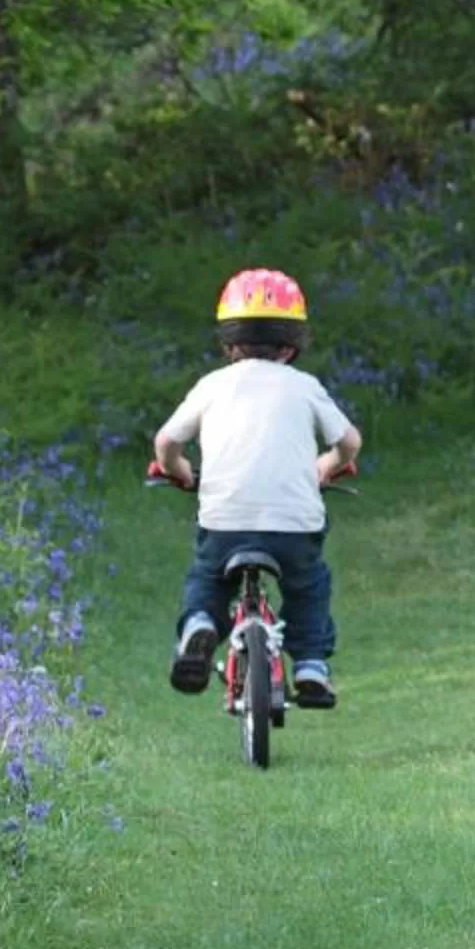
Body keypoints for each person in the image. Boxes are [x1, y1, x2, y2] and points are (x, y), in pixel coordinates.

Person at [152, 267, 362, 707]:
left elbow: (167, 442)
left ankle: (200, 627)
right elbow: (349, 443)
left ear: (228, 342)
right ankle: (310, 665)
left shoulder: (212, 386)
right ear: (292, 343)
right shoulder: (305, 387)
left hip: (225, 519)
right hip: (294, 523)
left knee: (208, 580)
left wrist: (180, 471)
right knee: (308, 585)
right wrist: (326, 466)